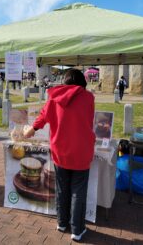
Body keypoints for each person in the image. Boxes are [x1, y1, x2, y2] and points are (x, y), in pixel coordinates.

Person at [24, 69, 95, 242]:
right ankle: (77, 230)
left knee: (62, 188)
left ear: (65, 81)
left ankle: (62, 223)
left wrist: (29, 130)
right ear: (82, 83)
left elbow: (41, 119)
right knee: (78, 191)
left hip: (60, 150)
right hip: (82, 151)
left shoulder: (53, 98)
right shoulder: (88, 98)